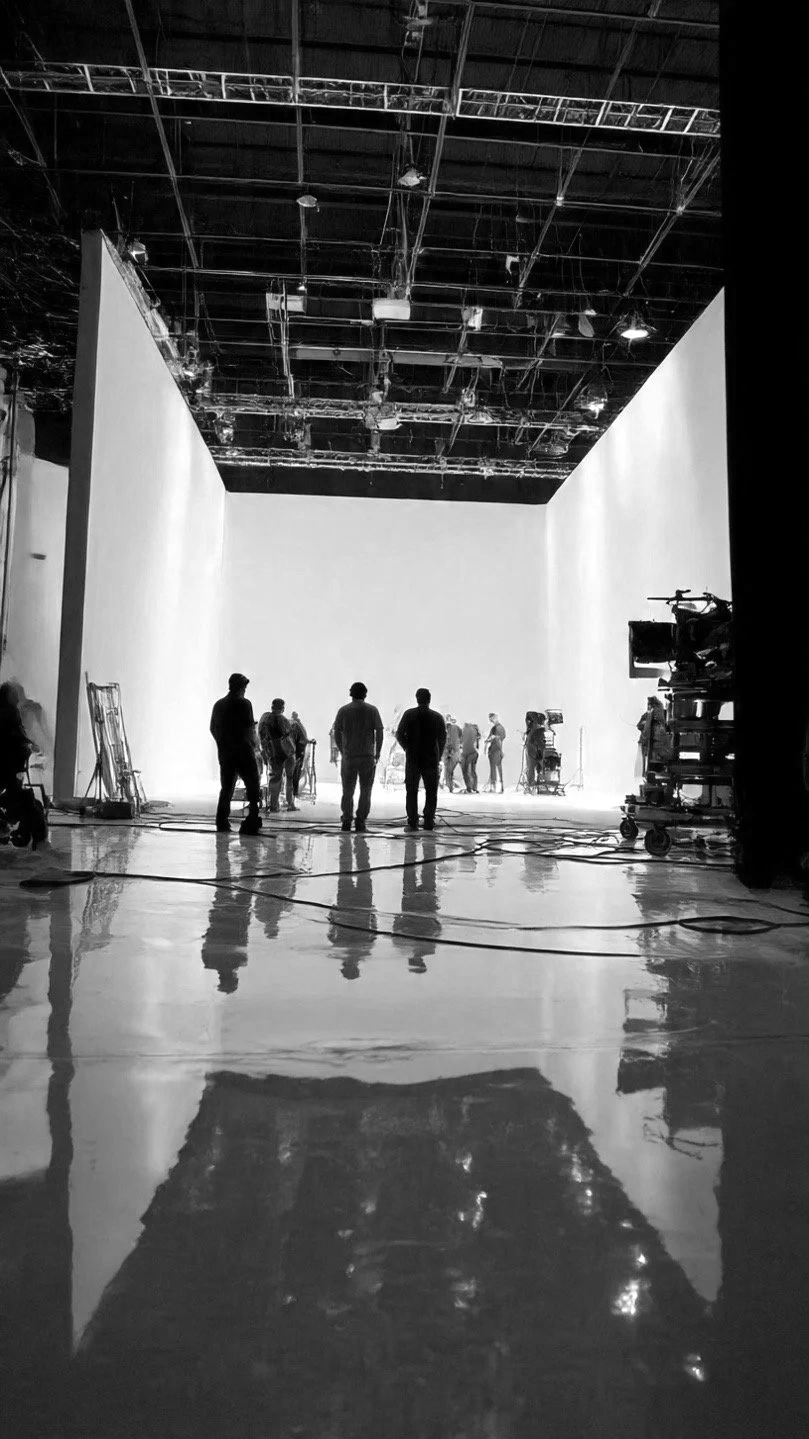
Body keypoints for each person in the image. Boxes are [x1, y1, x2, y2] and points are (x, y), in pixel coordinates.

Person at [210, 673, 262, 834]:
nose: (245, 690)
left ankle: (222, 822)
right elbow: (249, 729)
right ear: (240, 687)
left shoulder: (219, 704)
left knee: (226, 788)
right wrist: (256, 748)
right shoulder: (244, 704)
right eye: (244, 687)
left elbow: (213, 728)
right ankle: (252, 819)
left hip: (226, 754)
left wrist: (222, 744)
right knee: (253, 785)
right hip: (243, 752)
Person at [332, 681, 384, 832]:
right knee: (366, 790)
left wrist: (343, 750)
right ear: (365, 694)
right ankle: (360, 821)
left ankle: (346, 821)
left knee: (348, 790)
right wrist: (377, 752)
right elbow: (379, 732)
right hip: (367, 756)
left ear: (351, 694)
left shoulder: (344, 711)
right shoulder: (372, 710)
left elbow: (336, 732)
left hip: (349, 757)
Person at [395, 689, 447, 831]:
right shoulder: (437, 717)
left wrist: (407, 747)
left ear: (417, 699)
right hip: (430, 758)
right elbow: (442, 738)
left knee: (411, 790)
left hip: (413, 758)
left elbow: (399, 734)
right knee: (431, 791)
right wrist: (439, 754)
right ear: (429, 699)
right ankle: (429, 820)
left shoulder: (409, 714)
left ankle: (412, 821)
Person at [259, 698, 297, 813]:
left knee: (275, 778)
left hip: (273, 752)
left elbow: (262, 736)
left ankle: (274, 805)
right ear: (282, 708)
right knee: (289, 778)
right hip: (287, 752)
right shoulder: (284, 720)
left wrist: (265, 752)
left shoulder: (265, 719)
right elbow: (288, 734)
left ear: (272, 707)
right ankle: (290, 804)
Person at [524, 711, 547, 792]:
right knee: (538, 768)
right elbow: (540, 742)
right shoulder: (538, 730)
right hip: (535, 750)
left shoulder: (532, 729)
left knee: (531, 768)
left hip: (532, 750)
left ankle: (532, 786)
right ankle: (536, 786)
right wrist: (540, 752)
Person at [289, 710, 309, 798]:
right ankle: (294, 792)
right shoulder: (296, 725)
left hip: (292, 752)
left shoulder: (291, 724)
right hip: (297, 753)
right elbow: (304, 739)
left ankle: (292, 792)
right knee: (295, 772)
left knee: (292, 773)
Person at [485, 712, 506, 792]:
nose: (490, 720)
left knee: (493, 768)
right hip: (496, 750)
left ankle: (493, 787)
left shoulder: (496, 728)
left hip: (495, 750)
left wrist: (490, 739)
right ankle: (500, 787)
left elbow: (498, 739)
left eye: (491, 718)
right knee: (498, 768)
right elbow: (501, 738)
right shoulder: (499, 728)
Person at [442, 714, 462, 792]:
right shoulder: (457, 728)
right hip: (455, 751)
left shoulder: (443, 729)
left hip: (447, 752)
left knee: (448, 770)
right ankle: (449, 786)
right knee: (449, 770)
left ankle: (449, 787)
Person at [460, 720, 481, 794]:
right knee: (472, 771)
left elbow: (462, 741)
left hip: (469, 753)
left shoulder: (469, 731)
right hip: (472, 753)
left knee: (467, 771)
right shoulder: (475, 733)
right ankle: (473, 788)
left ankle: (470, 788)